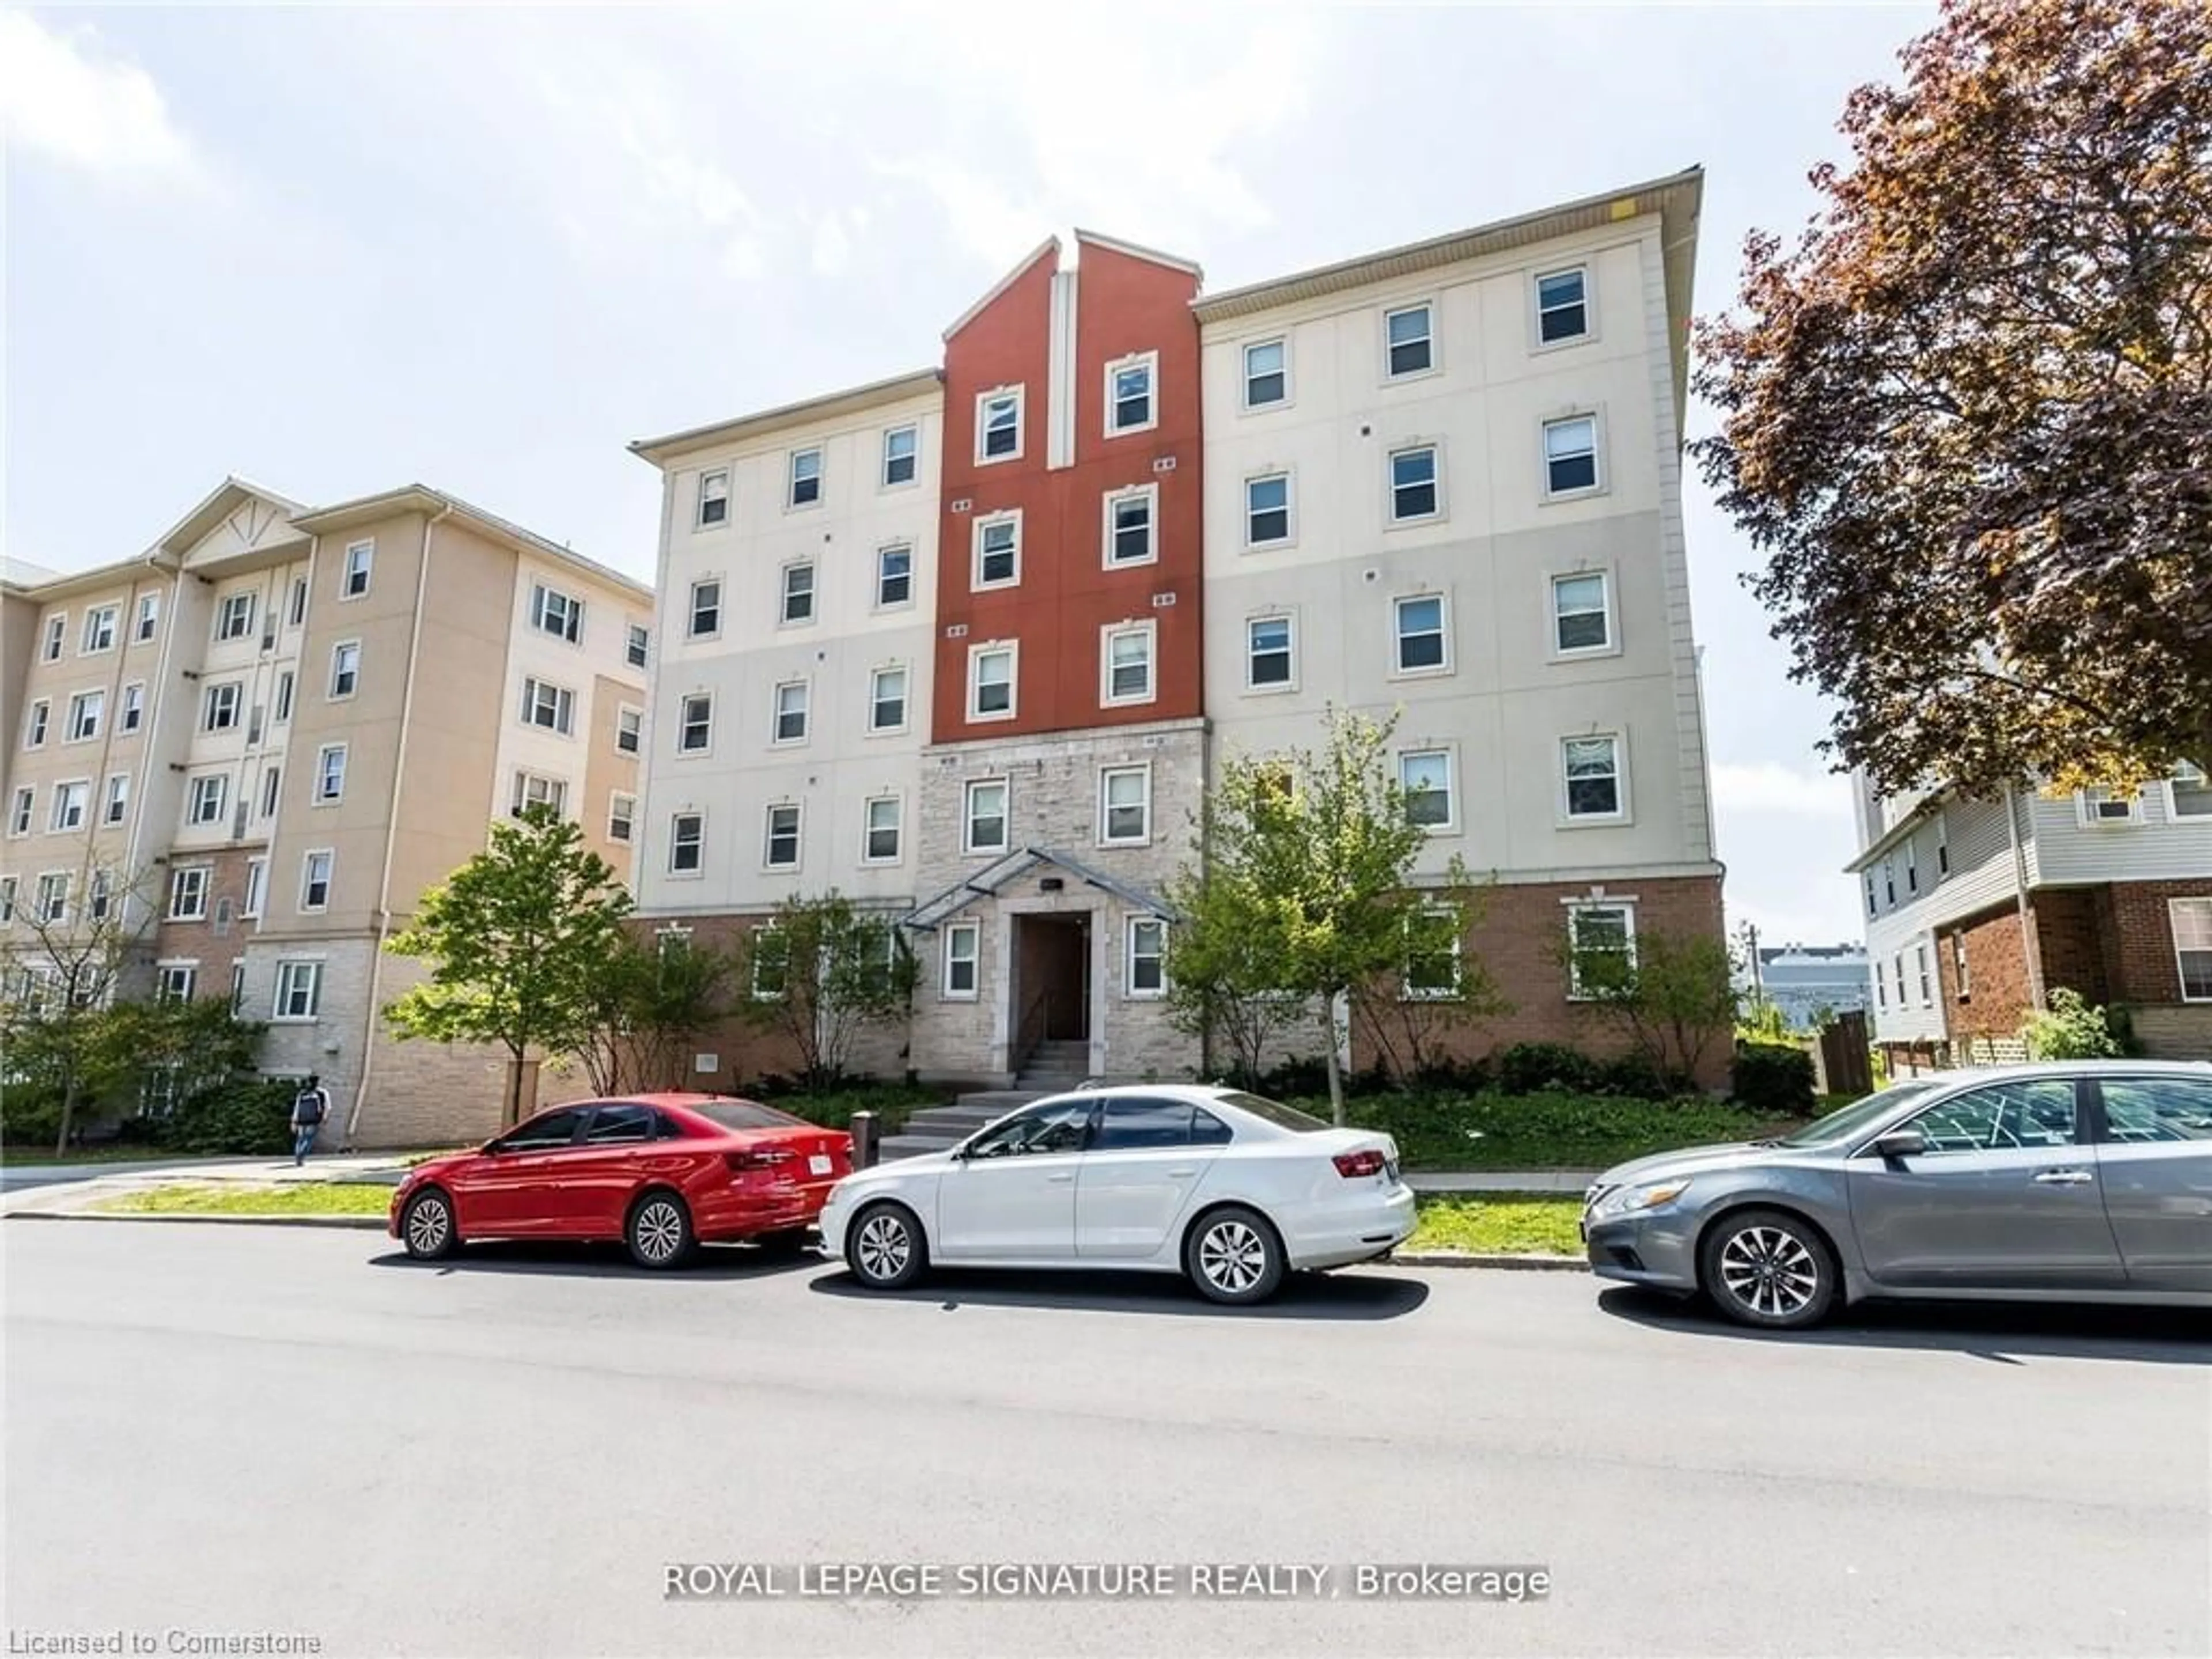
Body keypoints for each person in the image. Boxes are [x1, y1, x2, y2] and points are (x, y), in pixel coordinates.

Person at [290, 1074, 331, 1166]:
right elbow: (328, 1107)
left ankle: (298, 1156)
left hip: (301, 1120)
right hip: (314, 1120)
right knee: (308, 1138)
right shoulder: (322, 1093)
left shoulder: (302, 1093)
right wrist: (324, 1118)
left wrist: (294, 1121)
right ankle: (301, 1156)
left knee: (300, 1139)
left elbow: (297, 1108)